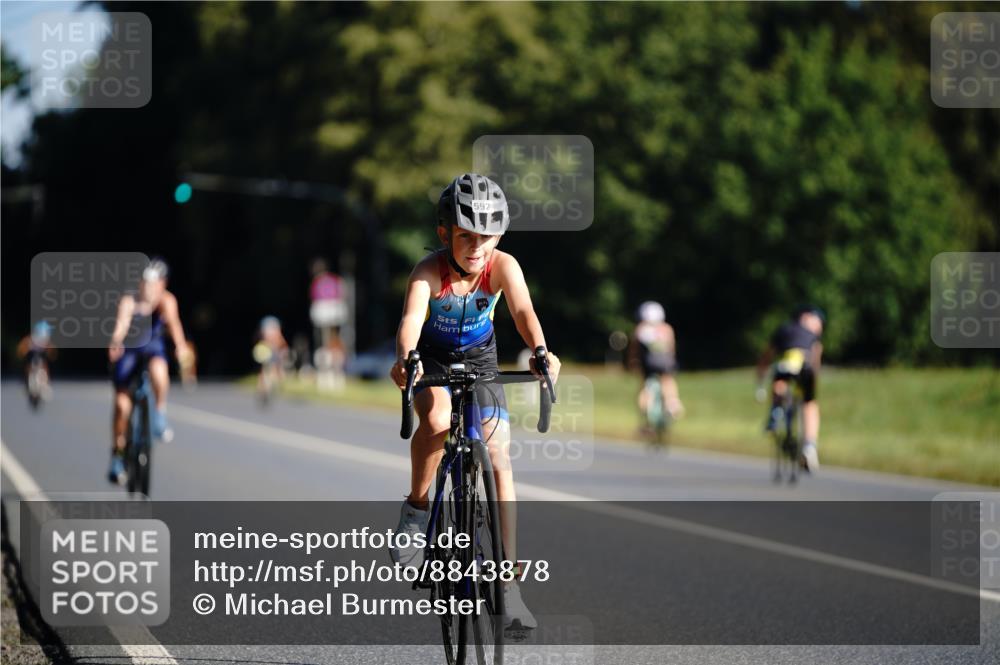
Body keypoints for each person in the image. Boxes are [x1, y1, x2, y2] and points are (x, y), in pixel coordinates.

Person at [388, 173, 561, 631]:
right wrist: (407, 358)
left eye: (486, 236)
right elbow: (410, 320)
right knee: (439, 419)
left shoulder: (503, 265)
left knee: (500, 453)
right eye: (466, 235)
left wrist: (541, 352)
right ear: (446, 234)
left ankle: (508, 586)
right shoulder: (428, 271)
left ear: (498, 235)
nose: (476, 246)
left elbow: (524, 312)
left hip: (482, 359)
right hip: (432, 358)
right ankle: (418, 508)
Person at [107, 258, 191, 484]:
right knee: (122, 406)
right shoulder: (129, 300)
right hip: (130, 352)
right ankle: (118, 455)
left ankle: (160, 413)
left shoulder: (166, 300)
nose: (150, 288)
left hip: (153, 347)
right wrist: (116, 340)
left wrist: (181, 347)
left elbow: (174, 324)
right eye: (147, 282)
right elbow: (122, 323)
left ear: (163, 284)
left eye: (156, 283)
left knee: (159, 370)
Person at [755, 305, 825, 472]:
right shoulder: (814, 338)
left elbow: (766, 358)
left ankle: (775, 413)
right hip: (805, 369)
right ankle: (810, 446)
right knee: (809, 404)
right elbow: (816, 365)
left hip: (785, 367)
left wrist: (760, 383)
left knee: (780, 382)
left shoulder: (784, 329)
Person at [629, 301, 684, 422]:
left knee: (644, 386)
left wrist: (633, 363)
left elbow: (634, 349)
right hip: (666, 362)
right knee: (667, 380)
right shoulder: (666, 328)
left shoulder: (641, 329)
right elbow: (671, 348)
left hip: (648, 363)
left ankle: (645, 415)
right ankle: (672, 403)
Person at [17, 321, 56, 402]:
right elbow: (23, 347)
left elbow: (51, 349)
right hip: (32, 356)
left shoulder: (37, 339)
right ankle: (27, 382)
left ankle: (44, 383)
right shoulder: (33, 339)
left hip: (39, 356)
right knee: (30, 366)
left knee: (44, 366)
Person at [254, 316, 289, 397]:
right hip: (270, 351)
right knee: (271, 369)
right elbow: (280, 340)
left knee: (265, 370)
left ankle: (263, 387)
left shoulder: (262, 332)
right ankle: (266, 386)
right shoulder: (275, 333)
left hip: (266, 351)